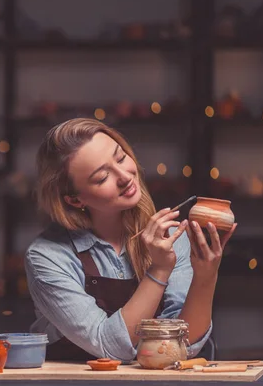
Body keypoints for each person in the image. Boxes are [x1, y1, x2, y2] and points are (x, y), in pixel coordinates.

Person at [25, 118, 237, 362]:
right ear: (75, 200)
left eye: (120, 157)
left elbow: (182, 345)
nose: (124, 176)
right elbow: (108, 347)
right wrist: (158, 270)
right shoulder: (47, 256)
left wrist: (206, 276)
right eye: (102, 177)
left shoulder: (172, 237)